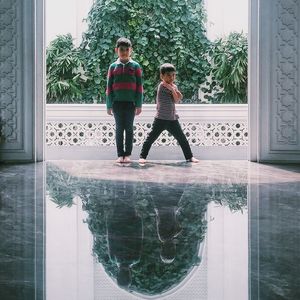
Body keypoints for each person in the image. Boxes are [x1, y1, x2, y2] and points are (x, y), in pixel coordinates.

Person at [139, 63, 199, 164]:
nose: (171, 77)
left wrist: (176, 91)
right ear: (162, 76)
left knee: (182, 139)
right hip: (161, 118)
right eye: (168, 75)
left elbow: (176, 100)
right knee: (151, 138)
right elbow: (171, 90)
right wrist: (174, 89)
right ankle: (142, 156)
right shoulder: (161, 86)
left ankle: (190, 157)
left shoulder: (173, 86)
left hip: (172, 119)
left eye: (173, 75)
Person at [106, 37, 143, 163]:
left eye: (127, 49)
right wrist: (109, 105)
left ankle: (127, 155)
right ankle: (119, 155)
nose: (124, 52)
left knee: (129, 129)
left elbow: (139, 87)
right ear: (117, 50)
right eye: (121, 49)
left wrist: (138, 105)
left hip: (130, 104)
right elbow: (109, 88)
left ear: (130, 50)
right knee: (119, 129)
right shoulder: (112, 67)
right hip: (117, 104)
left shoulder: (135, 66)